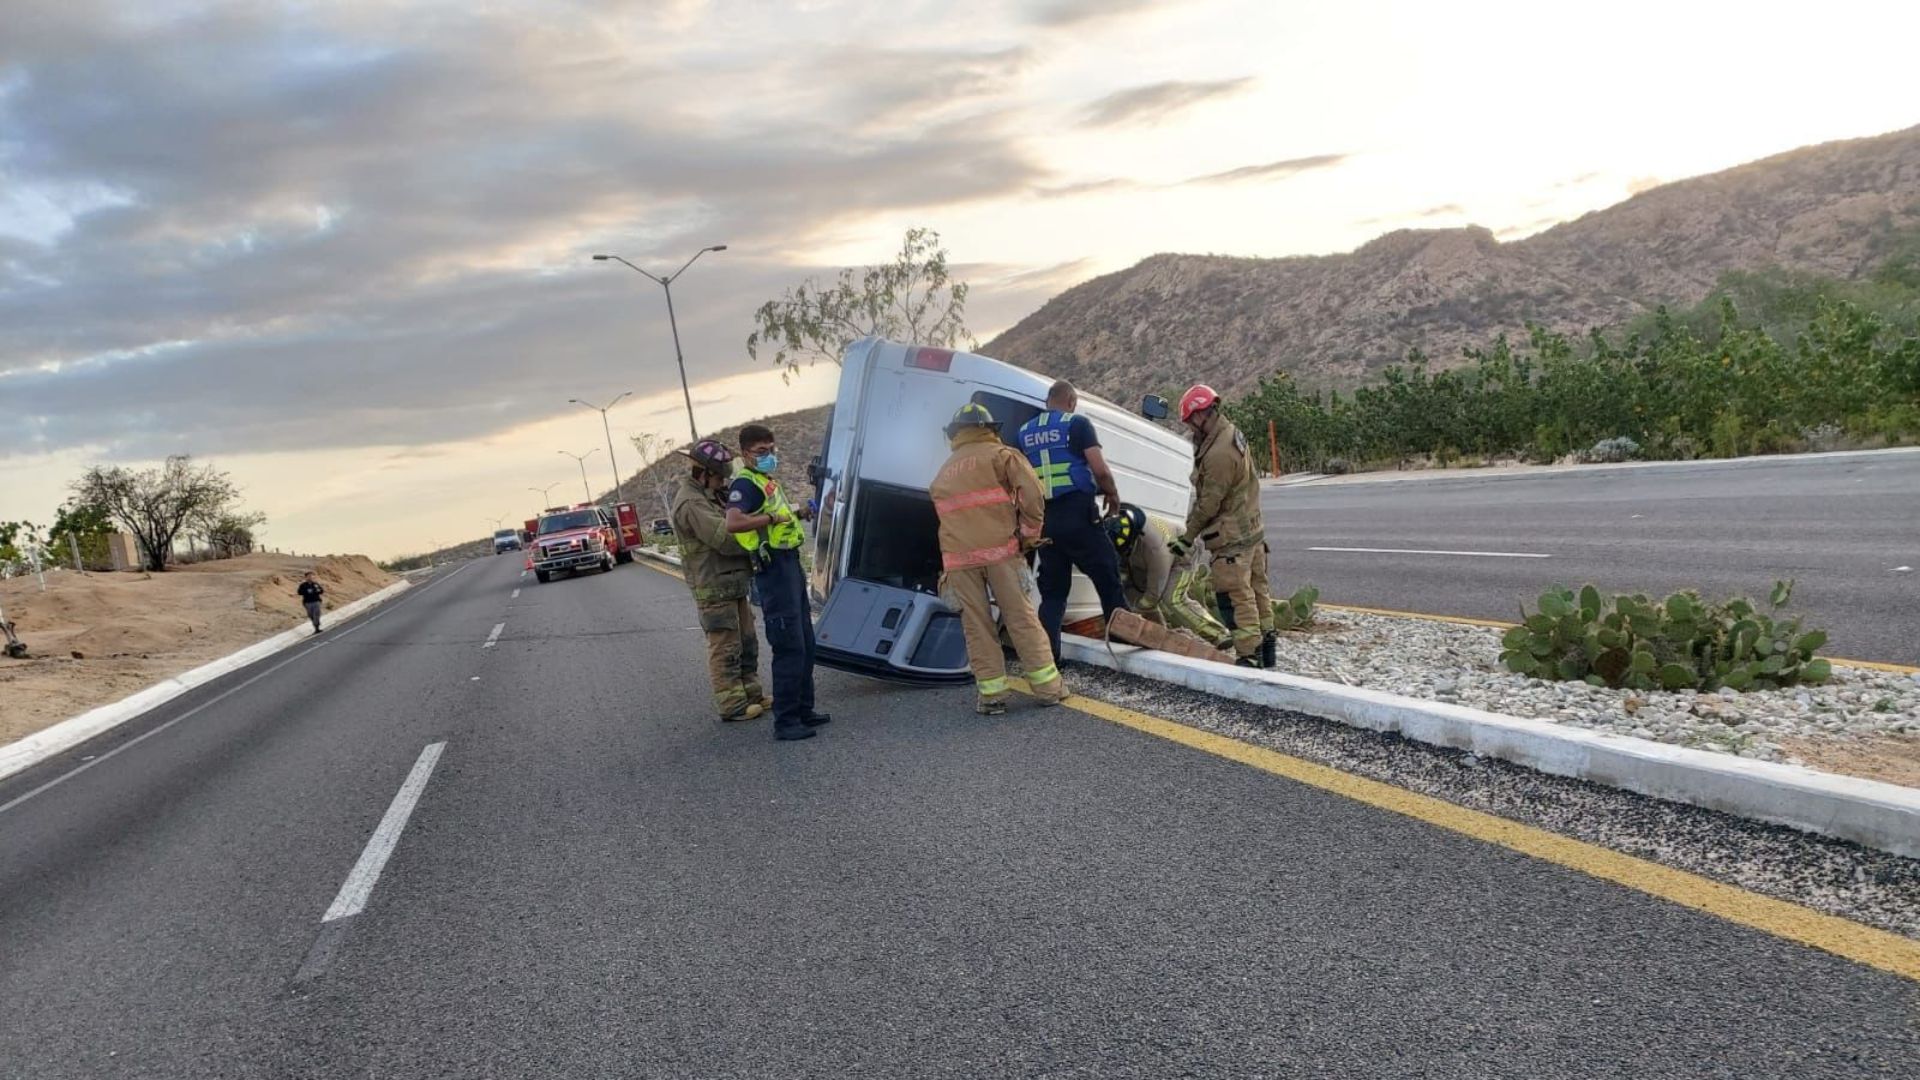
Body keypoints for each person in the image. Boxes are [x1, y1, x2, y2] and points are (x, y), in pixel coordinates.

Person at [931, 403, 1066, 714]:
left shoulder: (943, 473)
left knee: (976, 626)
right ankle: (1048, 689)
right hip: (1000, 553)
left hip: (958, 562)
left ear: (956, 433)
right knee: (1020, 618)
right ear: (990, 429)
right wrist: (1029, 533)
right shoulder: (1002, 455)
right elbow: (1031, 494)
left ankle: (992, 697)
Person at [725, 422, 829, 742]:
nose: (769, 456)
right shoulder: (746, 483)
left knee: (806, 643)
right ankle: (786, 721)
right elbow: (734, 521)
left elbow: (779, 517)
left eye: (772, 450)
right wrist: (772, 518)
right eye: (761, 452)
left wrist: (798, 514)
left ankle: (803, 709)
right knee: (789, 646)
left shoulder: (766, 481)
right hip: (773, 570)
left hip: (789, 564)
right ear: (745, 454)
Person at [1013, 380, 1130, 662]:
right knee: (1107, 575)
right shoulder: (1077, 424)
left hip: (1046, 521)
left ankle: (1047, 659)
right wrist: (1112, 495)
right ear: (1072, 401)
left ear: (1047, 401)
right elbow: (1099, 470)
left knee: (1053, 593)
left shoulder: (1024, 432)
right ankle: (1122, 644)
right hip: (1078, 514)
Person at [1173, 384, 1275, 668]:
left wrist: (1187, 537)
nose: (1191, 429)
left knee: (1235, 597)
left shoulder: (1219, 453)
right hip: (1251, 531)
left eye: (1191, 422)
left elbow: (1208, 504)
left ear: (1200, 416)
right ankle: (1267, 649)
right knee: (1258, 592)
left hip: (1232, 538)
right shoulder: (1231, 435)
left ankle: (1249, 656)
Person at [669, 439, 767, 723]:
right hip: (713, 586)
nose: (724, 481)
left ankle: (752, 695)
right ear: (703, 473)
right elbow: (725, 538)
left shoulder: (711, 495)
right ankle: (732, 705)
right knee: (725, 645)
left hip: (733, 582)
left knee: (747, 641)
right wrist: (761, 529)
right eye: (720, 476)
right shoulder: (692, 503)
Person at [1105, 505, 1232, 650]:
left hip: (1182, 554)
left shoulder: (1157, 549)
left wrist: (1139, 610)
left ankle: (1219, 635)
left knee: (1172, 598)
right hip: (1144, 556)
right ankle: (1157, 636)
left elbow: (1155, 592)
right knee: (1133, 593)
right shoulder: (1114, 526)